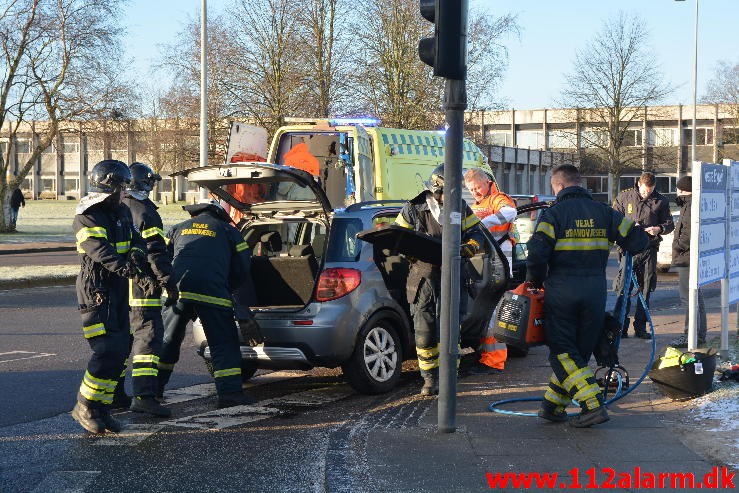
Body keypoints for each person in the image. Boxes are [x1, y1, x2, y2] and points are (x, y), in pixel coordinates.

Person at [526, 164, 648, 427]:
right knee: (577, 352)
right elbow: (639, 241)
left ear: (557, 186)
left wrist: (533, 282)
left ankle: (592, 406)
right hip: (594, 292)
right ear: (580, 183)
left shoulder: (553, 215)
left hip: (562, 292)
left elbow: (536, 255)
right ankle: (552, 406)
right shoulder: (606, 213)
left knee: (562, 353)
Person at [71, 159, 159, 434]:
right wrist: (130, 269)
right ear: (109, 187)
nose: (126, 191)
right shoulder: (88, 214)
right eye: (122, 186)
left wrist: (137, 255)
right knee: (107, 349)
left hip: (119, 286)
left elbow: (136, 240)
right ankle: (84, 405)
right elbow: (99, 250)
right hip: (97, 289)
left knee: (121, 348)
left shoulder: (120, 211)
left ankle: (101, 407)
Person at [395, 164, 485, 396]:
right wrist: (411, 251)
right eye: (445, 192)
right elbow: (397, 237)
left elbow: (477, 234)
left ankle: (449, 379)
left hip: (453, 274)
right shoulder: (414, 208)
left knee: (450, 331)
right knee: (424, 331)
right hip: (423, 278)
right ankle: (429, 380)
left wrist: (470, 248)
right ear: (435, 188)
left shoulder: (460, 208)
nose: (449, 197)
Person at [158, 198, 257, 408]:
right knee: (222, 344)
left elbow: (162, 260)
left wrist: (169, 284)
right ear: (219, 214)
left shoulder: (177, 228)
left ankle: (152, 391)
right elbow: (243, 266)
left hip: (178, 292)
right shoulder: (228, 231)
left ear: (195, 213)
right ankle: (229, 393)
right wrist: (227, 286)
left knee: (167, 340)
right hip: (213, 294)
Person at [120, 162, 177, 417]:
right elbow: (155, 251)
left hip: (119, 285)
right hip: (143, 286)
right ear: (144, 183)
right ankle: (144, 395)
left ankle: (114, 394)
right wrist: (167, 280)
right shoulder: (144, 210)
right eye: (151, 182)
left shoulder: (116, 206)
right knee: (148, 336)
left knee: (122, 338)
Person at [463, 168, 515, 373]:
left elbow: (510, 212)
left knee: (494, 313)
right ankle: (486, 355)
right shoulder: (477, 204)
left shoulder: (497, 199)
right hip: (485, 263)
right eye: (471, 189)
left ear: (486, 182)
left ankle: (495, 360)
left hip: (499, 262)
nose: (475, 192)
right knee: (486, 312)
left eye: (477, 187)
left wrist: (483, 223)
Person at [612, 172, 674, 339]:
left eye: (650, 191)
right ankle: (620, 328)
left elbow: (669, 224)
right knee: (623, 289)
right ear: (639, 184)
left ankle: (640, 328)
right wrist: (629, 228)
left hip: (649, 249)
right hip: (628, 250)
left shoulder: (661, 200)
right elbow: (614, 219)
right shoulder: (625, 197)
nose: (647, 194)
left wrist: (658, 229)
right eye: (645, 191)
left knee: (645, 289)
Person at [669, 176, 707, 348]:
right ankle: (699, 334)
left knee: (689, 299)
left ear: (682, 190)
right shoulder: (691, 204)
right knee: (697, 298)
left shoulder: (689, 206)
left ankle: (689, 334)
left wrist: (677, 247)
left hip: (687, 258)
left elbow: (689, 233)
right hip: (690, 256)